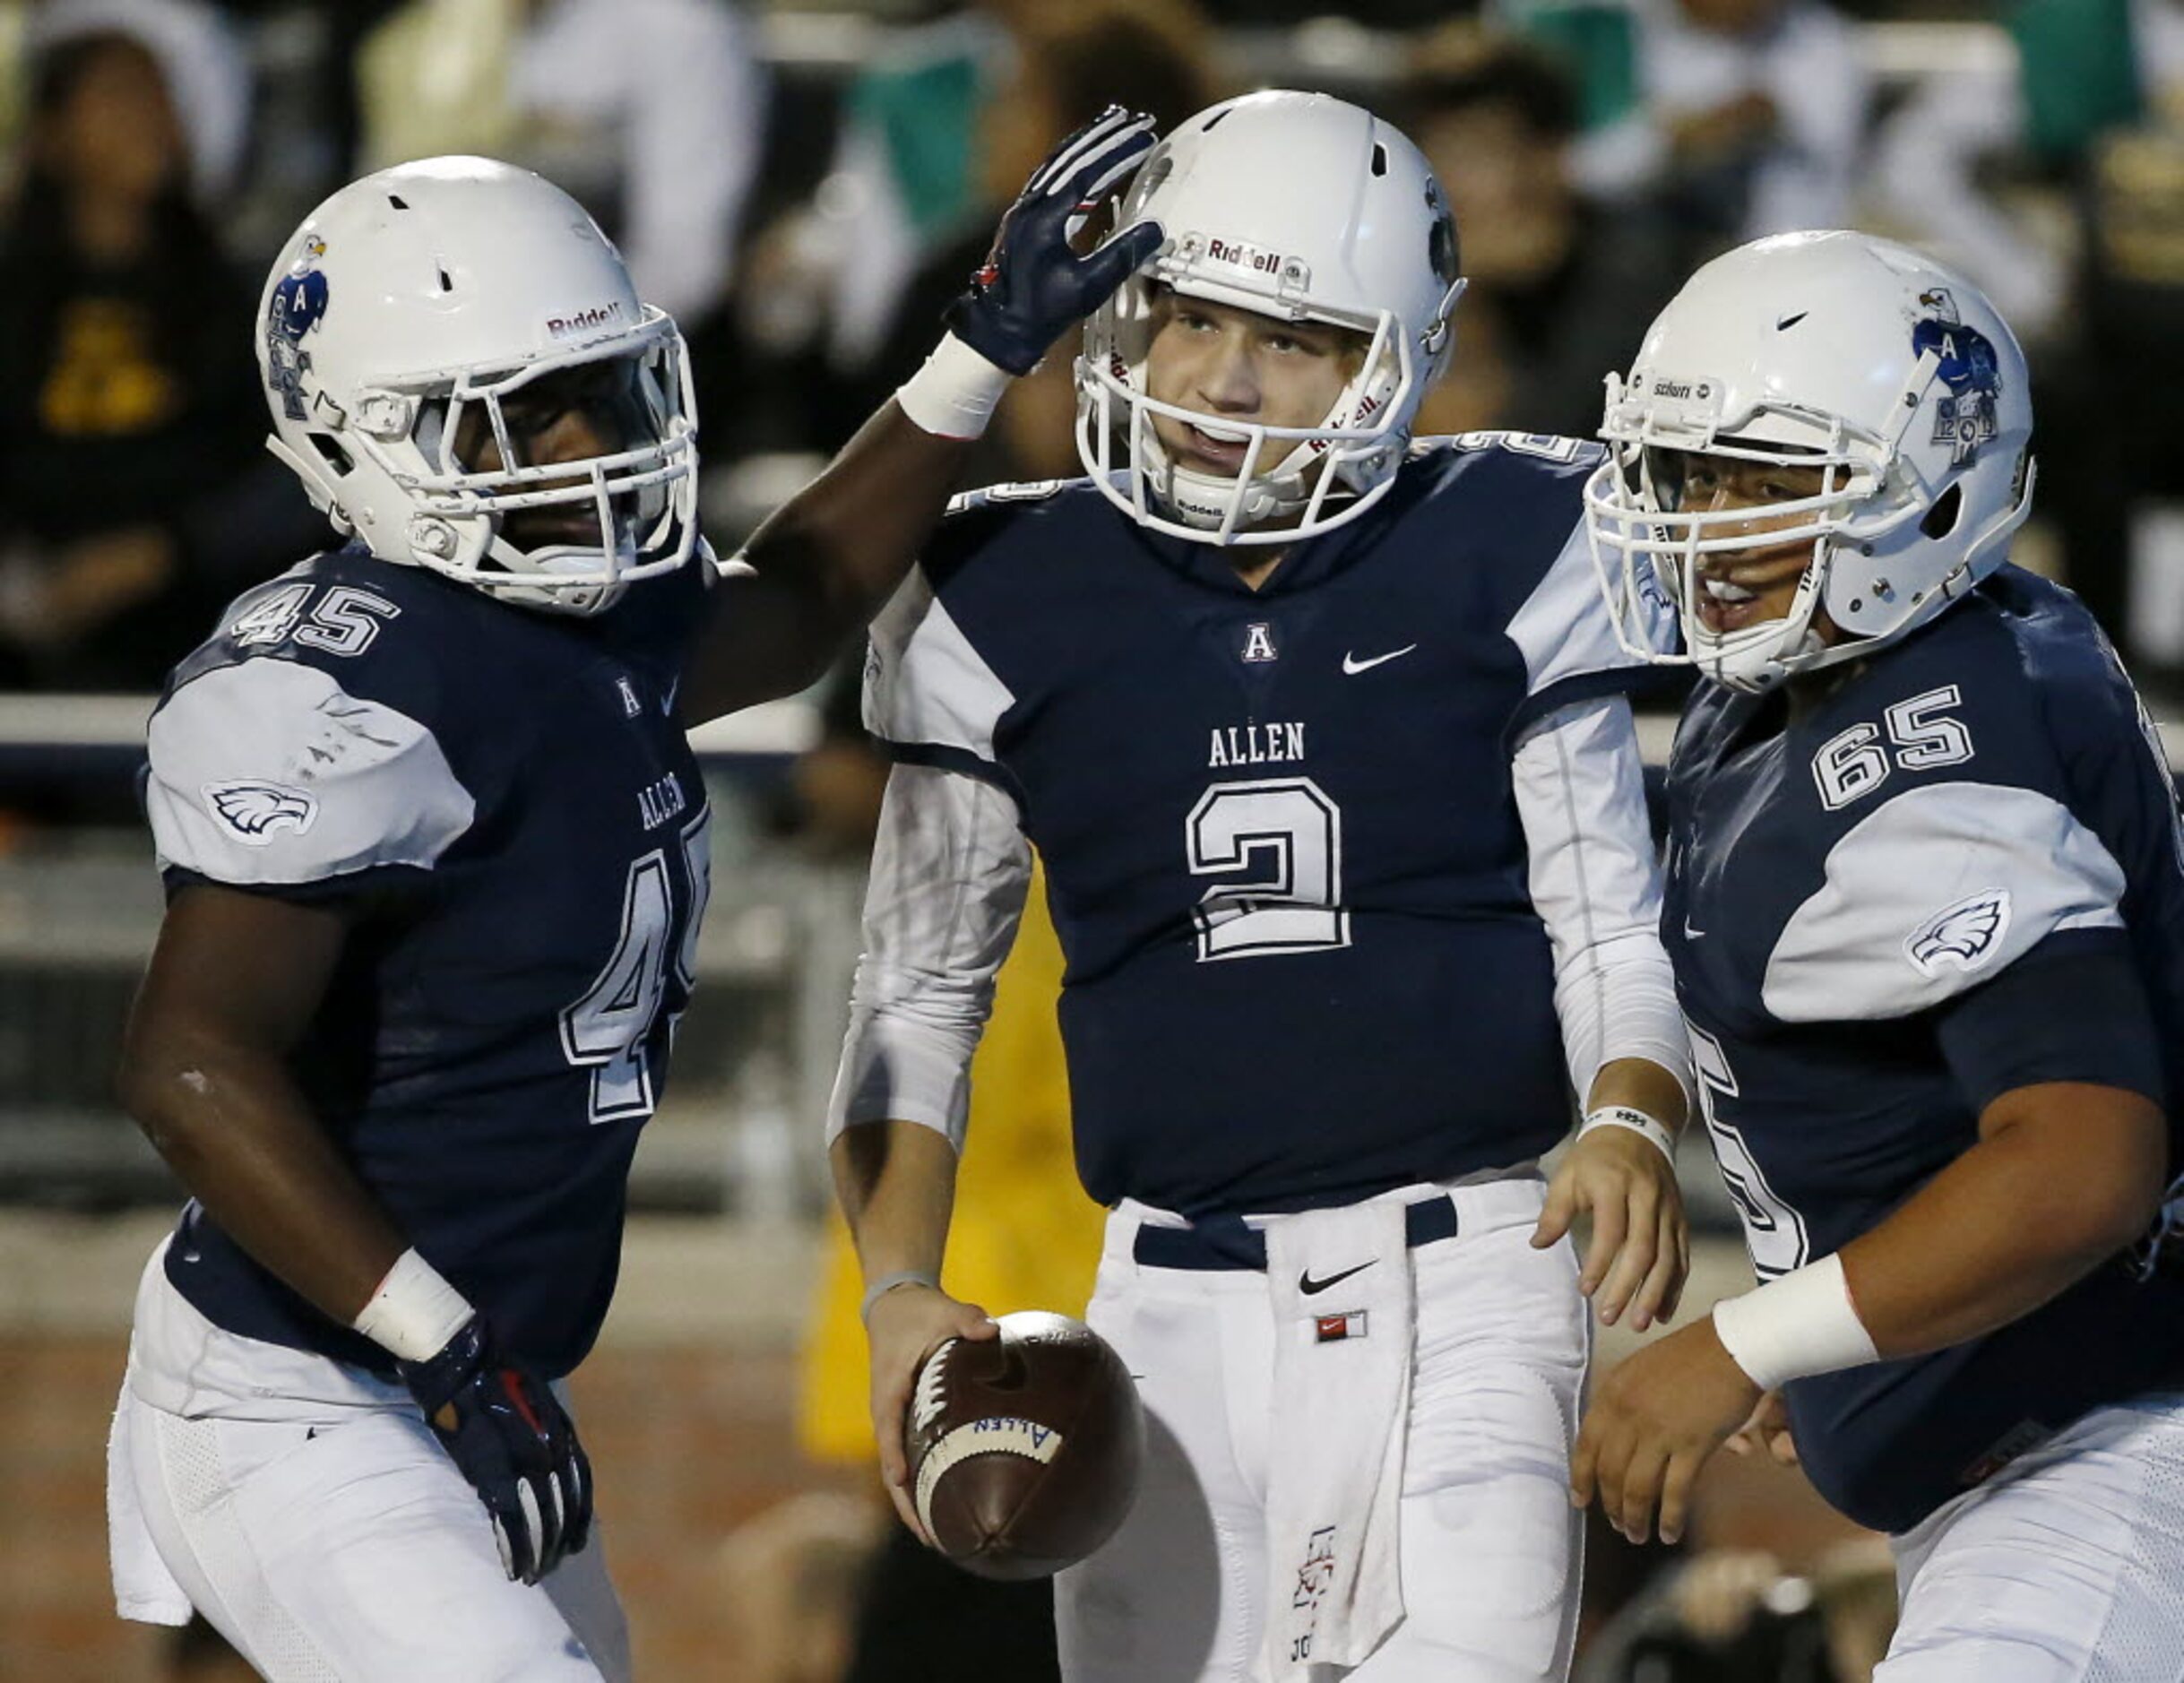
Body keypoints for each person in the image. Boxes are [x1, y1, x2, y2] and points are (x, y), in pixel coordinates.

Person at [105, 119, 1162, 1683]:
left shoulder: (582, 617)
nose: (578, 446)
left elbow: (799, 601)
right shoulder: (340, 693)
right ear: (359, 441)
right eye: (513, 418)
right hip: (304, 1385)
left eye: (597, 391)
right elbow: (188, 1063)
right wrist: (447, 1354)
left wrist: (980, 344)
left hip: (471, 1371)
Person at [828, 89, 1696, 1682]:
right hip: (1164, 1288)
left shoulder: (1505, 538)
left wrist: (1628, 1109)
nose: (1220, 379)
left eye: (1289, 338)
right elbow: (913, 993)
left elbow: (1604, 917)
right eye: (1183, 317)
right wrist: (896, 1282)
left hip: (1472, 1262)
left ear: (1391, 359)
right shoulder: (996, 585)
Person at [1578, 229, 2184, 1673]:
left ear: (1926, 491)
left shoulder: (1932, 770)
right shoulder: (1897, 649)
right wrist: (1865, 1326)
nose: (1711, 528)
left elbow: (2080, 1163)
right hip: (2059, 1443)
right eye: (1695, 474)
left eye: (1769, 481)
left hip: (2113, 1452)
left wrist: (1743, 1340)